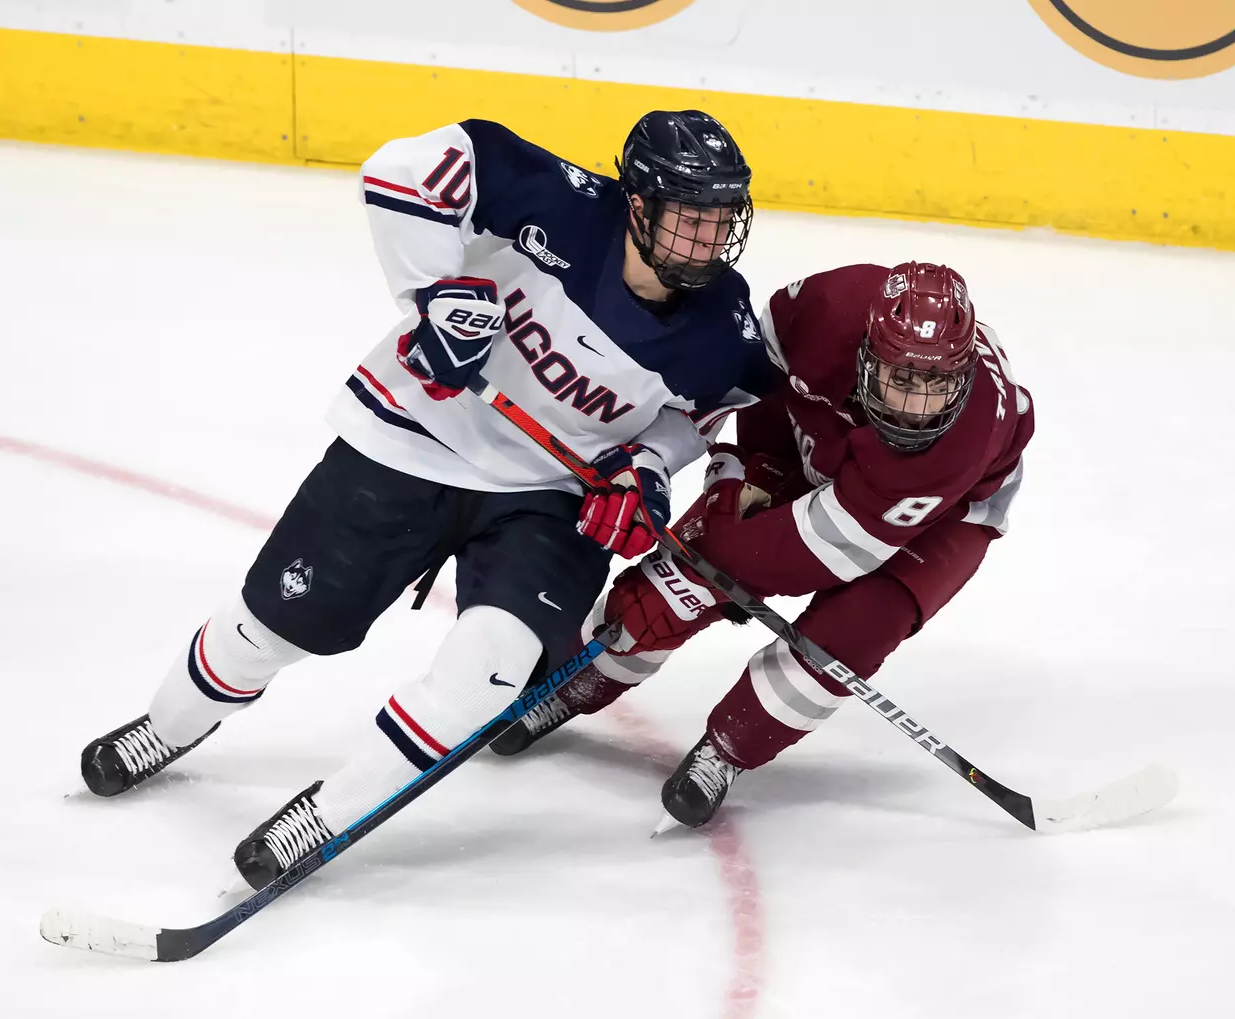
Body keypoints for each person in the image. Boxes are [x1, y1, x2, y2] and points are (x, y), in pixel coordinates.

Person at [78, 109, 779, 887]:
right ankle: (165, 726)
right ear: (639, 205)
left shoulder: (727, 328)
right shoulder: (552, 200)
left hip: (550, 496)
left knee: (491, 672)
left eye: (722, 222)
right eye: (691, 219)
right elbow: (398, 171)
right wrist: (434, 293)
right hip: (409, 437)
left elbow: (697, 416)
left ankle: (325, 818)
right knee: (271, 628)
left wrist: (647, 464)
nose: (709, 243)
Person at [490, 262, 1034, 831]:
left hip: (947, 515)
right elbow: (735, 371)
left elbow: (811, 555)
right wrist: (707, 460)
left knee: (853, 630)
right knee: (678, 582)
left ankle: (728, 749)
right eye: (901, 380)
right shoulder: (830, 309)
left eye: (937, 385)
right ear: (867, 357)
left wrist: (723, 496)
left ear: (964, 373)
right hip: (819, 441)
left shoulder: (963, 438)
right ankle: (571, 680)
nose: (917, 410)